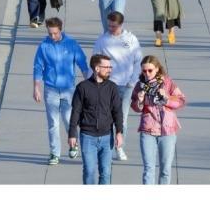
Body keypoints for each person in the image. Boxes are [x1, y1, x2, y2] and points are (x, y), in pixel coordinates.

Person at [33, 16, 89, 165]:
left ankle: (73, 144)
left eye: (55, 33)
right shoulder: (44, 46)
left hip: (68, 89)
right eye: (50, 33)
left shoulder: (71, 44)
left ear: (60, 30)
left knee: (69, 119)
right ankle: (54, 153)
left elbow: (82, 63)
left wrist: (90, 84)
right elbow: (38, 67)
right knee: (53, 122)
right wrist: (36, 88)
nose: (52, 36)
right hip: (50, 88)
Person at [93, 11, 142, 162]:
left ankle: (119, 147)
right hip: (108, 86)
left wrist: (133, 81)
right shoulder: (102, 40)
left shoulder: (130, 39)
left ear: (121, 25)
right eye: (108, 25)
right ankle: (107, 148)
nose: (110, 28)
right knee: (107, 118)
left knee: (122, 119)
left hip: (126, 86)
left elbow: (138, 61)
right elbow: (95, 61)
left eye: (113, 26)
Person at [131, 55, 187, 184]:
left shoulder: (167, 82)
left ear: (157, 69)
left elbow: (181, 100)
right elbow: (135, 107)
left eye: (150, 70)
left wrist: (166, 98)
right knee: (148, 169)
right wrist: (139, 101)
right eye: (144, 71)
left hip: (167, 131)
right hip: (148, 130)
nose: (147, 74)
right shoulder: (139, 86)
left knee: (165, 170)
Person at [68, 54, 123, 185]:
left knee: (106, 172)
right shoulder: (82, 87)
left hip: (107, 137)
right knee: (89, 171)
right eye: (107, 67)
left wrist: (119, 132)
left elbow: (117, 111)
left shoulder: (112, 87)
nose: (110, 70)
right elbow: (75, 112)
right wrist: (72, 134)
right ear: (97, 68)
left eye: (110, 67)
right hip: (88, 137)